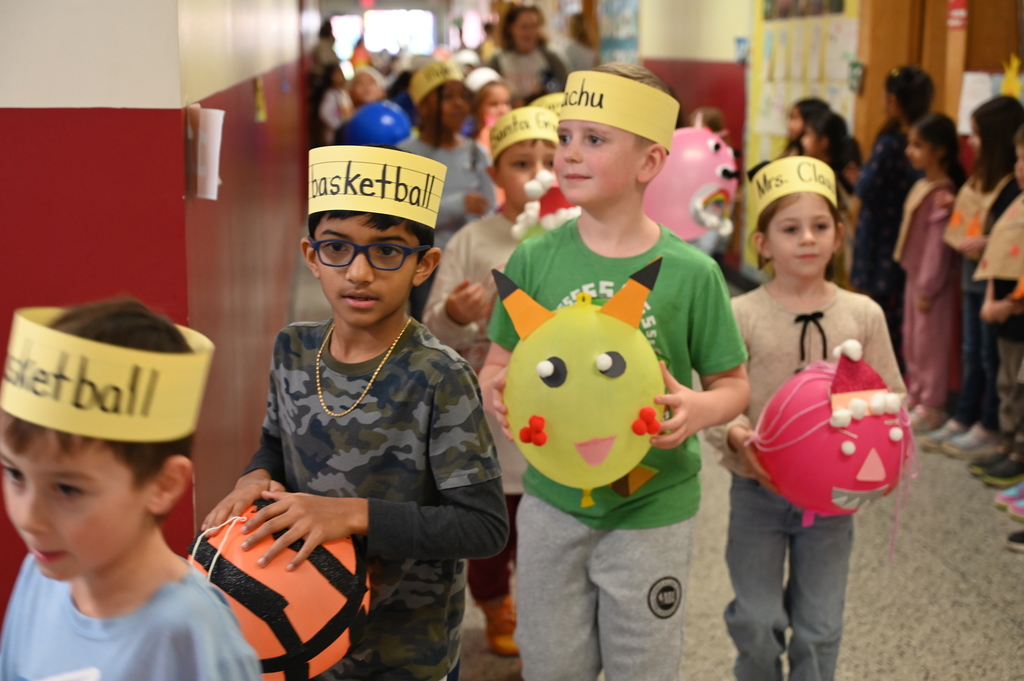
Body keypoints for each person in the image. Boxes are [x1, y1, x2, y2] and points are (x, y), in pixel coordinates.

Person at [481, 63, 750, 681]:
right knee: (551, 663)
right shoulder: (534, 259)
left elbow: (734, 386)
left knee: (643, 665)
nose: (569, 154)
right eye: (565, 137)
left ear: (650, 162)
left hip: (653, 509)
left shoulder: (693, 274)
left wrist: (698, 410)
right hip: (552, 503)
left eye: (594, 139)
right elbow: (499, 362)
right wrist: (497, 387)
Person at [201, 145, 509, 681]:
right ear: (311, 256)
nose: (359, 272)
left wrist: (350, 514)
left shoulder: (441, 376)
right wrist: (255, 476)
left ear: (424, 265)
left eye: (387, 251)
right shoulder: (293, 348)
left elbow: (482, 527)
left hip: (405, 652)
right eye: (337, 248)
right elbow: (275, 442)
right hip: (304, 637)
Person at [706, 157, 905, 681]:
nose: (808, 239)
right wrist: (737, 434)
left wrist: (890, 460)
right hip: (757, 492)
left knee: (820, 624)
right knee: (756, 617)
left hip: (833, 502)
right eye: (790, 229)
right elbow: (717, 399)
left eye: (820, 226)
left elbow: (894, 398)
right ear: (763, 243)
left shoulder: (863, 314)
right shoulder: (741, 314)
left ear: (838, 236)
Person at [0, 299, 261, 680]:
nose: (28, 518)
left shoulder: (191, 635)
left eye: (68, 489)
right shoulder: (39, 575)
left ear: (163, 485)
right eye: (14, 473)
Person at [423, 106, 559, 658]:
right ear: (496, 173)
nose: (538, 174)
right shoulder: (473, 240)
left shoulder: (573, 240)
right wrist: (456, 314)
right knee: (491, 523)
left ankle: (545, 609)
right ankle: (494, 600)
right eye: (522, 163)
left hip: (555, 417)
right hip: (486, 423)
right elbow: (432, 328)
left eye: (550, 161)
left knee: (546, 526)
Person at [922, 96, 1024, 461]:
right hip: (974, 282)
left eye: (978, 134)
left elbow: (1007, 237)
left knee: (993, 360)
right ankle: (966, 417)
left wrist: (988, 242)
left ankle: (991, 426)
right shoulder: (981, 180)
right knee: (973, 353)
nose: (972, 141)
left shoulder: (1010, 189)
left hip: (999, 291)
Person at [851, 66, 934, 369]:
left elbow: (865, 186)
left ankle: (880, 372)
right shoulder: (923, 137)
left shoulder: (890, 142)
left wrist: (860, 176)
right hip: (907, 236)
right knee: (898, 311)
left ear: (893, 101)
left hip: (881, 238)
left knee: (882, 311)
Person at [400, 60, 496, 319]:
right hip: (425, 266)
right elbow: (405, 219)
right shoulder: (406, 154)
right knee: (426, 327)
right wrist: (460, 204)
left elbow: (489, 210)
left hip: (469, 264)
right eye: (447, 97)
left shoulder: (476, 153)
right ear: (423, 106)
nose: (459, 105)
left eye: (463, 97)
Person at [894, 113, 964, 432]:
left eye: (918, 145)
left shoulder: (942, 193)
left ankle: (933, 403)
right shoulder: (924, 185)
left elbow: (938, 248)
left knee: (930, 343)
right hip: (914, 276)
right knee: (913, 339)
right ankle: (916, 391)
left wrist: (928, 286)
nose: (910, 151)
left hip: (930, 283)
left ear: (940, 150)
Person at [972, 118, 1024, 489]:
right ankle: (1008, 444)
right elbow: (998, 255)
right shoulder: (1015, 204)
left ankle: (1019, 451)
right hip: (1005, 313)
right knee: (1007, 382)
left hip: (1016, 312)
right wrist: (992, 299)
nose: (1019, 168)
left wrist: (1010, 304)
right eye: (1018, 159)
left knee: (1019, 388)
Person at [801, 110, 858, 286]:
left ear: (824, 142)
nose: (803, 140)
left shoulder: (828, 178)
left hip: (830, 249)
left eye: (808, 134)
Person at [487, 4, 570, 106]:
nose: (530, 32)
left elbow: (568, 87)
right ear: (510, 28)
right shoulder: (498, 59)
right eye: (524, 27)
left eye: (534, 26)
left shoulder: (551, 56)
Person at [319, 64, 354, 146]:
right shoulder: (330, 94)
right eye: (336, 74)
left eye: (340, 73)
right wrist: (339, 126)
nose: (339, 77)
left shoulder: (344, 91)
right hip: (335, 135)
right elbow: (324, 113)